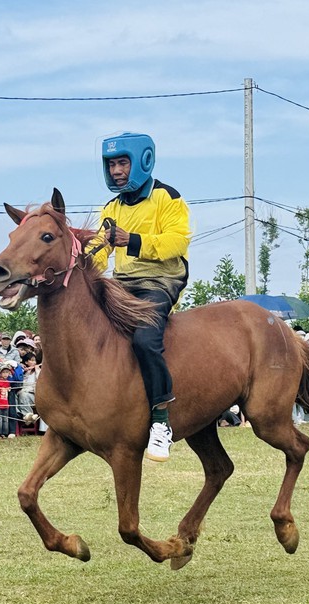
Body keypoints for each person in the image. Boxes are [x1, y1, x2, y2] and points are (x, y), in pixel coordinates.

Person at [91, 132, 191, 462]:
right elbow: (99, 251)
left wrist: (131, 240)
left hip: (160, 281)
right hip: (122, 285)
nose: (116, 170)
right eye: (111, 164)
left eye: (122, 162)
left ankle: (161, 423)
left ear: (142, 161)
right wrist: (82, 260)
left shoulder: (168, 198)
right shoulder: (110, 208)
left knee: (145, 341)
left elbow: (177, 242)